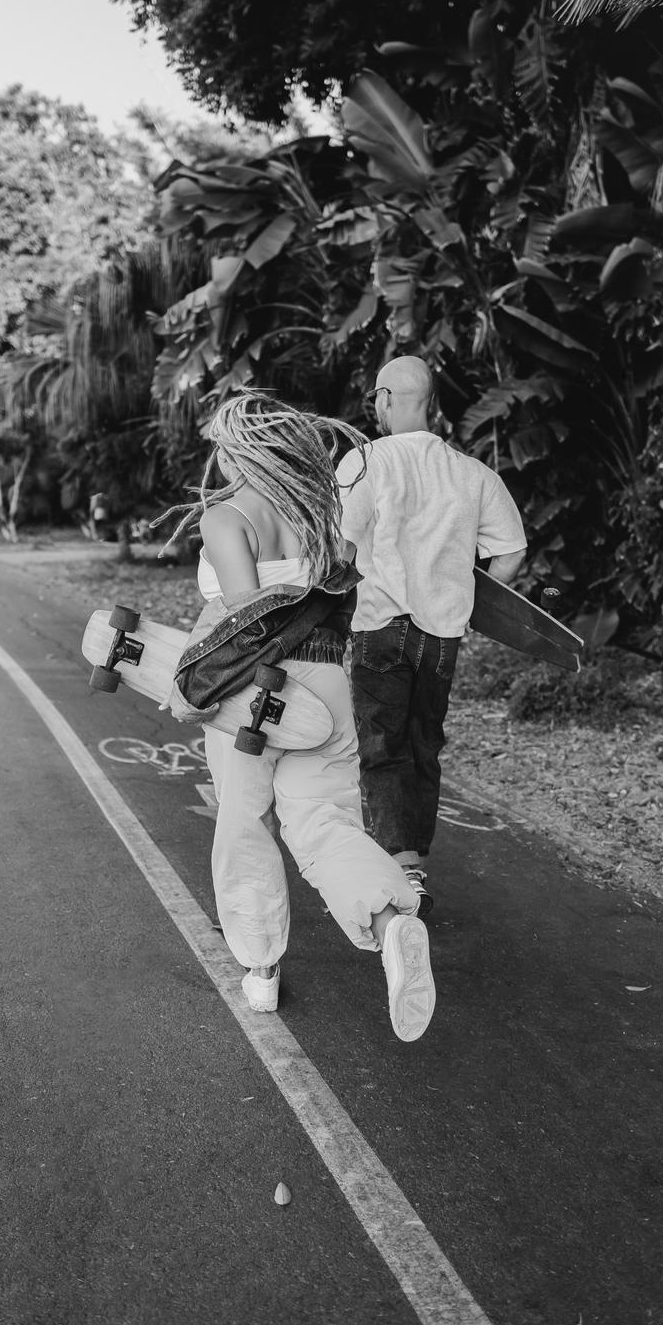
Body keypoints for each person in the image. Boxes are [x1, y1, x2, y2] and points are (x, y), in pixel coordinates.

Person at [160, 391, 437, 1042]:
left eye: (221, 449)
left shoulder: (228, 517)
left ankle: (261, 967)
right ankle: (391, 920)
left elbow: (245, 620)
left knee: (244, 823)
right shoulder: (325, 507)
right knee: (323, 823)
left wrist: (188, 687)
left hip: (260, 697)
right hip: (331, 686)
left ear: (239, 447)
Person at [336, 356, 527, 917]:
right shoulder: (472, 473)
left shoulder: (364, 461)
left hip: (380, 627)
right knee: (423, 746)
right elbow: (511, 551)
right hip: (442, 635)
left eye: (377, 398)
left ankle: (398, 871)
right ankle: (411, 867)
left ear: (386, 398)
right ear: (433, 403)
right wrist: (467, 598)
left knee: (381, 748)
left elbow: (343, 551)